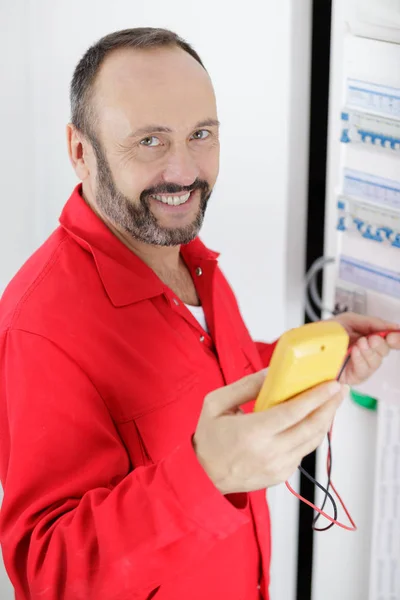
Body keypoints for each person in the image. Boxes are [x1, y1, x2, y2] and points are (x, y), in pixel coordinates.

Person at [0, 28, 399, 600]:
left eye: (200, 134)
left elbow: (209, 384)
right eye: (150, 141)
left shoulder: (187, 257)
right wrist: (205, 476)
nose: (185, 172)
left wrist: (314, 359)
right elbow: (50, 576)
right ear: (80, 151)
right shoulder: (39, 328)